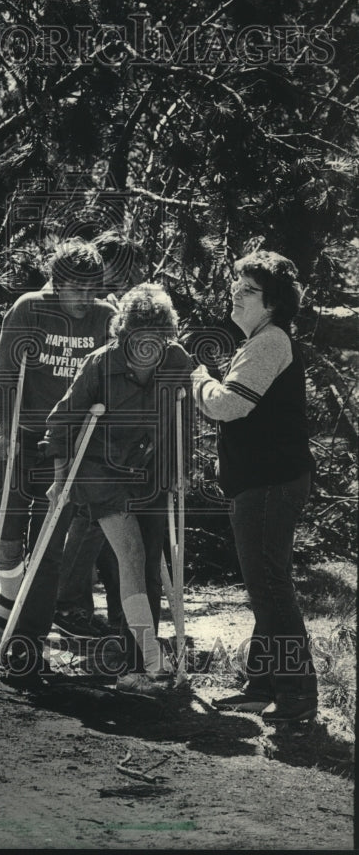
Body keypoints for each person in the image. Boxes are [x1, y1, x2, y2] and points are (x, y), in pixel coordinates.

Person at [39, 284, 193, 696]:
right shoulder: (99, 363)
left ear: (168, 335)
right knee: (133, 554)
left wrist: (182, 468)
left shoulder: (177, 361)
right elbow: (61, 421)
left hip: (151, 472)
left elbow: (184, 418)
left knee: (149, 568)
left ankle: (139, 663)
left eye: (158, 336)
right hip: (100, 472)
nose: (149, 345)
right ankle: (151, 659)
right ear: (124, 333)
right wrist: (59, 480)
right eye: (140, 335)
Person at [192, 251, 318, 722]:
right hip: (266, 482)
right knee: (267, 587)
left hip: (270, 483)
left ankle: (299, 697)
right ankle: (262, 686)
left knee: (271, 589)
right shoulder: (263, 340)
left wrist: (197, 378)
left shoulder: (269, 342)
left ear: (272, 302)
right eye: (235, 285)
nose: (234, 294)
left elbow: (229, 405)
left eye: (247, 289)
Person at [0, 239, 115, 655]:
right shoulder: (28, 309)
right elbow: (4, 375)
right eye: (76, 288)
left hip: (67, 447)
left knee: (48, 544)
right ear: (56, 284)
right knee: (6, 534)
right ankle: (7, 598)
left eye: (92, 287)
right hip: (22, 435)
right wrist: (4, 432)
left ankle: (27, 642)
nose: (85, 297)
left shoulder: (106, 316)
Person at [53, 230, 148, 638]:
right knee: (91, 520)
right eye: (122, 270)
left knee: (109, 527)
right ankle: (69, 603)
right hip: (82, 428)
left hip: (112, 434)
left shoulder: (109, 309)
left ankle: (116, 613)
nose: (129, 279)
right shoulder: (86, 306)